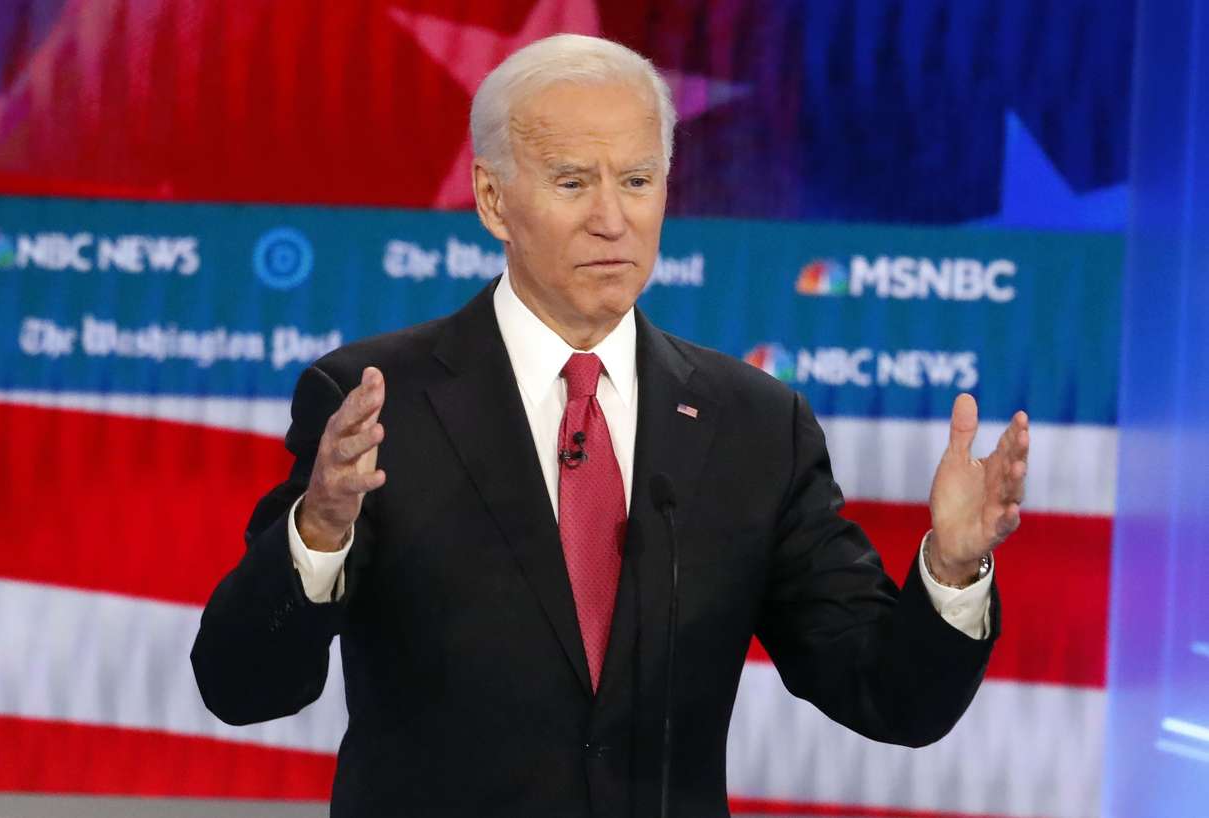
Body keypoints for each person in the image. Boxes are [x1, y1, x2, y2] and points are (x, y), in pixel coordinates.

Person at [191, 33, 1029, 818]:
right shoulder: (376, 401)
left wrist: (953, 570)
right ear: (492, 198)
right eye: (571, 182)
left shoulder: (754, 426)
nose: (611, 218)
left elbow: (889, 696)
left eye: (636, 181)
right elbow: (243, 686)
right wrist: (319, 532)